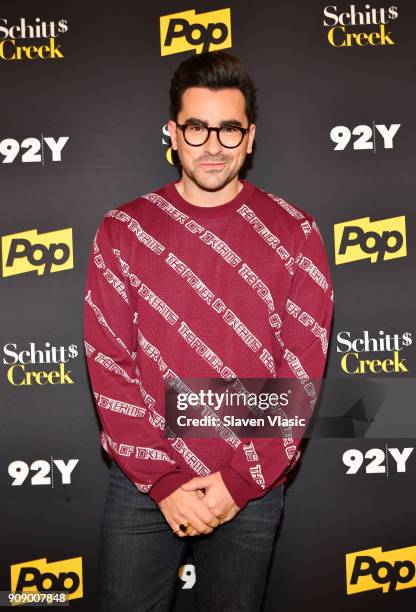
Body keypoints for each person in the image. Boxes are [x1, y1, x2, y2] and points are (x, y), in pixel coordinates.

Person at [84, 51, 333, 612]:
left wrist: (239, 482)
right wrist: (164, 481)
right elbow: (109, 365)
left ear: (250, 138)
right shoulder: (122, 231)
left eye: (229, 129)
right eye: (197, 127)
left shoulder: (296, 234)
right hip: (142, 483)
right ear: (172, 133)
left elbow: (301, 373)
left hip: (251, 485)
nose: (212, 144)